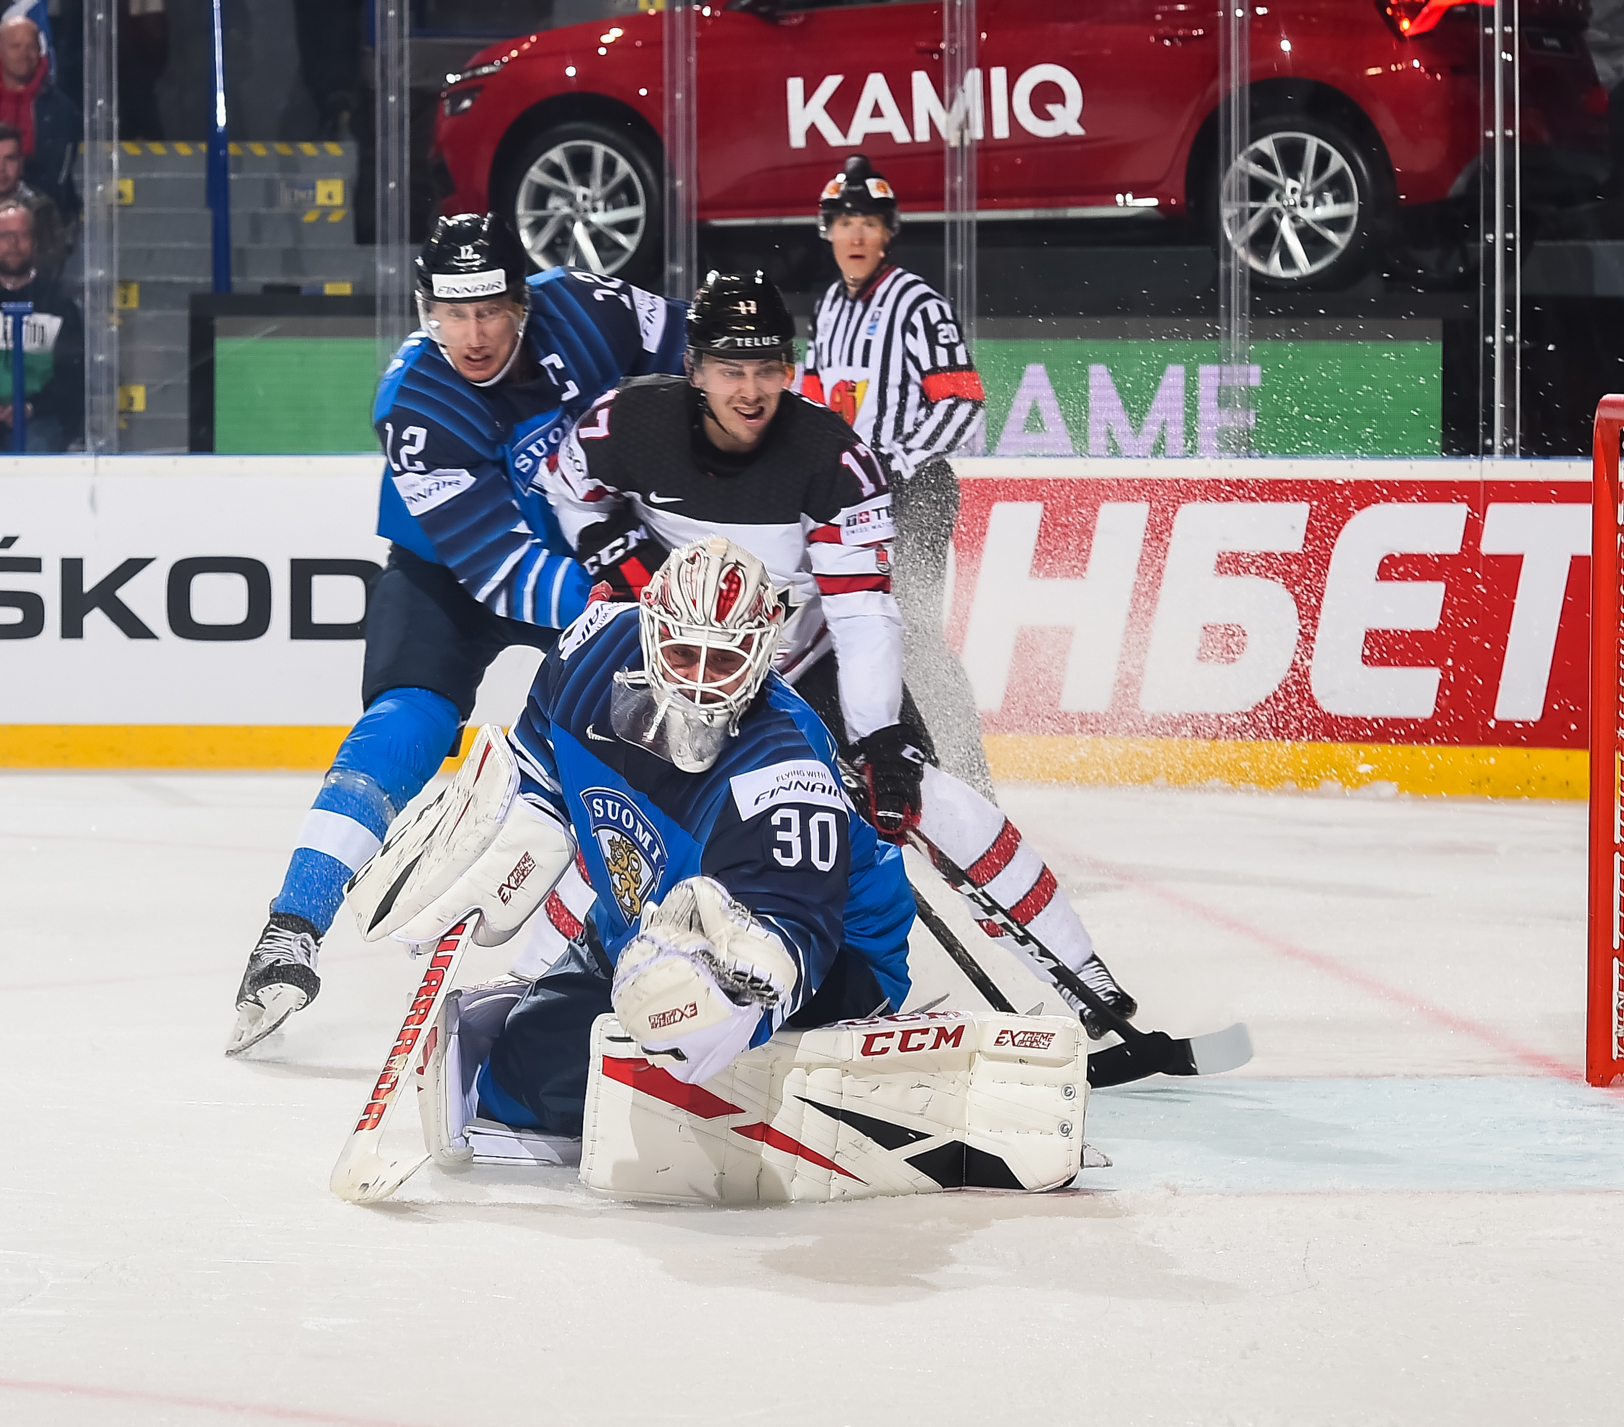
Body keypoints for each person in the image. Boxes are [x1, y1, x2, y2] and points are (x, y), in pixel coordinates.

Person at [546, 271, 1142, 1037]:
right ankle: (558, 979)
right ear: (695, 370)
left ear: (790, 370)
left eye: (768, 369)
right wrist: (607, 544)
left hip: (795, 673)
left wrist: (878, 740)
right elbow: (567, 488)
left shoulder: (833, 457)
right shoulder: (628, 422)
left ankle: (1085, 981)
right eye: (731, 369)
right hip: (680, 668)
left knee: (940, 804)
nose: (751, 389)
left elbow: (862, 610)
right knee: (613, 813)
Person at [225, 212, 687, 1056]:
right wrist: (632, 598)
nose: (472, 336)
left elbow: (699, 359)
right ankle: (290, 929)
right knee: (405, 724)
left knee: (639, 736)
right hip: (453, 569)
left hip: (585, 544)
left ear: (523, 301)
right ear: (424, 307)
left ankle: (648, 936)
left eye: (490, 313)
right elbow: (499, 570)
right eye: (451, 314)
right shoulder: (415, 400)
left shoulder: (589, 306)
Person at [469, 536, 917, 1132]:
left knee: (664, 1064)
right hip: (640, 920)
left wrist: (729, 1009)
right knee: (514, 1088)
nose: (700, 684)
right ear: (652, 633)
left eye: (725, 662)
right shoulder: (591, 649)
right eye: (684, 655)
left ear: (760, 656)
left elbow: (798, 930)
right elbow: (538, 748)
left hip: (833, 953)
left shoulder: (784, 769)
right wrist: (515, 822)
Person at [799, 155, 993, 794]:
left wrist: (897, 460)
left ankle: (969, 784)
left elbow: (963, 402)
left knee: (912, 637)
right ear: (827, 231)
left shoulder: (917, 304)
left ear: (888, 232)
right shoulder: (828, 306)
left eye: (868, 223)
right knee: (848, 636)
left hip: (914, 493)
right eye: (844, 221)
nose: (855, 235)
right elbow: (808, 398)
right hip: (850, 498)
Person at [0, 198, 81, 451]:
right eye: (5, 235)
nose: (13, 244)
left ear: (34, 243)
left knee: (35, 450)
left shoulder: (58, 303)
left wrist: (32, 407)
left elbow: (73, 378)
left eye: (21, 235)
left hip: (41, 417)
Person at [0, 14, 78, 220]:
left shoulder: (61, 109)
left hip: (45, 218)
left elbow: (58, 174)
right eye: (15, 46)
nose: (24, 54)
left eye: (31, 47)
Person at [0, 122, 66, 273]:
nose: (1, 168)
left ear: (21, 163)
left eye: (9, 159)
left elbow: (53, 262)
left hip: (35, 292)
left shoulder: (43, 207)